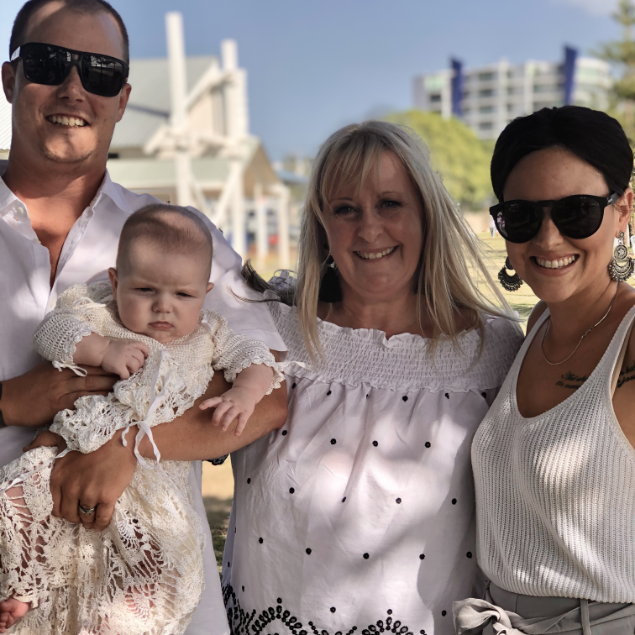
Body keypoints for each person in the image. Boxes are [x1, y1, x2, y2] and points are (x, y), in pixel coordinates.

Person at [0, 2, 287, 634]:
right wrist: (8, 402)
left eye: (100, 72)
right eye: (50, 63)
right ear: (10, 78)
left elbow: (269, 396)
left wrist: (126, 445)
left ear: (123, 98)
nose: (74, 87)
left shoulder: (178, 236)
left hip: (146, 597)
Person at [222, 121, 524, 635]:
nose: (369, 229)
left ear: (426, 214)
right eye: (346, 209)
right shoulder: (268, 333)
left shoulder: (489, 350)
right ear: (321, 224)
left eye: (389, 203)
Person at [0, 204, 283, 635]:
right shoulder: (100, 313)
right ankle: (22, 586)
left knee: (159, 561)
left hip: (153, 481)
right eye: (146, 290)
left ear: (205, 293)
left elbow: (258, 359)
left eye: (183, 296)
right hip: (67, 451)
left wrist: (244, 391)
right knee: (16, 500)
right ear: (116, 282)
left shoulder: (209, 333)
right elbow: (53, 333)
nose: (163, 307)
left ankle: (115, 625)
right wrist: (102, 350)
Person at [454, 106, 635, 635]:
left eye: (577, 212)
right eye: (523, 216)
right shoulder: (537, 325)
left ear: (623, 210)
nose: (549, 239)